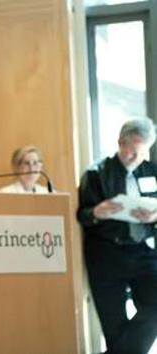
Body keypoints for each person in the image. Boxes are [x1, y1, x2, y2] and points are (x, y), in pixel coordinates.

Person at [77, 117, 157, 354]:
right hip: (106, 254)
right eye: (130, 151)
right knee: (114, 326)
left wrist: (154, 216)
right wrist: (97, 212)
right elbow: (82, 215)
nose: (134, 158)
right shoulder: (96, 173)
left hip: (143, 250)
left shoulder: (152, 171)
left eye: (140, 153)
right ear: (120, 143)